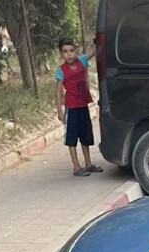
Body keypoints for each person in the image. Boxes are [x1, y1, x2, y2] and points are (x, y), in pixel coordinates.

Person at [56, 39, 100, 177]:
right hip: (71, 106)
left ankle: (88, 164)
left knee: (85, 135)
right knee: (72, 137)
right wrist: (59, 110)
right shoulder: (61, 70)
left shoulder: (81, 61)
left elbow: (93, 52)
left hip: (83, 105)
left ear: (76, 52)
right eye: (65, 52)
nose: (69, 54)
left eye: (71, 51)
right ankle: (76, 166)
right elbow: (58, 91)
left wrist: (98, 43)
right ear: (61, 54)